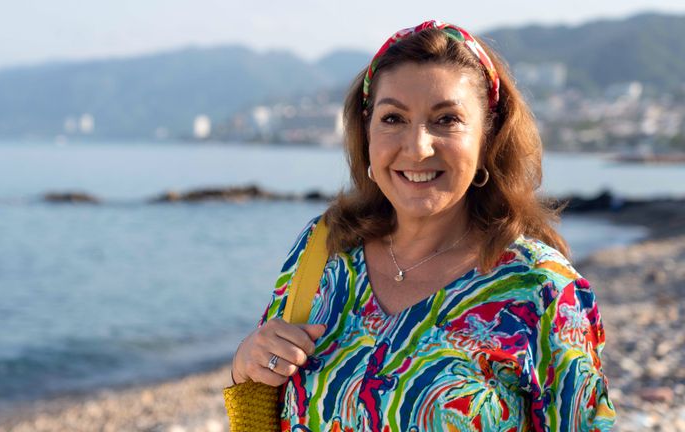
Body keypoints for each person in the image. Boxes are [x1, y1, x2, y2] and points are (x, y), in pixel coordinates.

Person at [230, 20, 616, 431]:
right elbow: (261, 395)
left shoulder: (544, 291)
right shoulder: (325, 248)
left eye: (446, 119)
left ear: (488, 138)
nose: (417, 147)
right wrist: (246, 361)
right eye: (393, 118)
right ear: (367, 134)